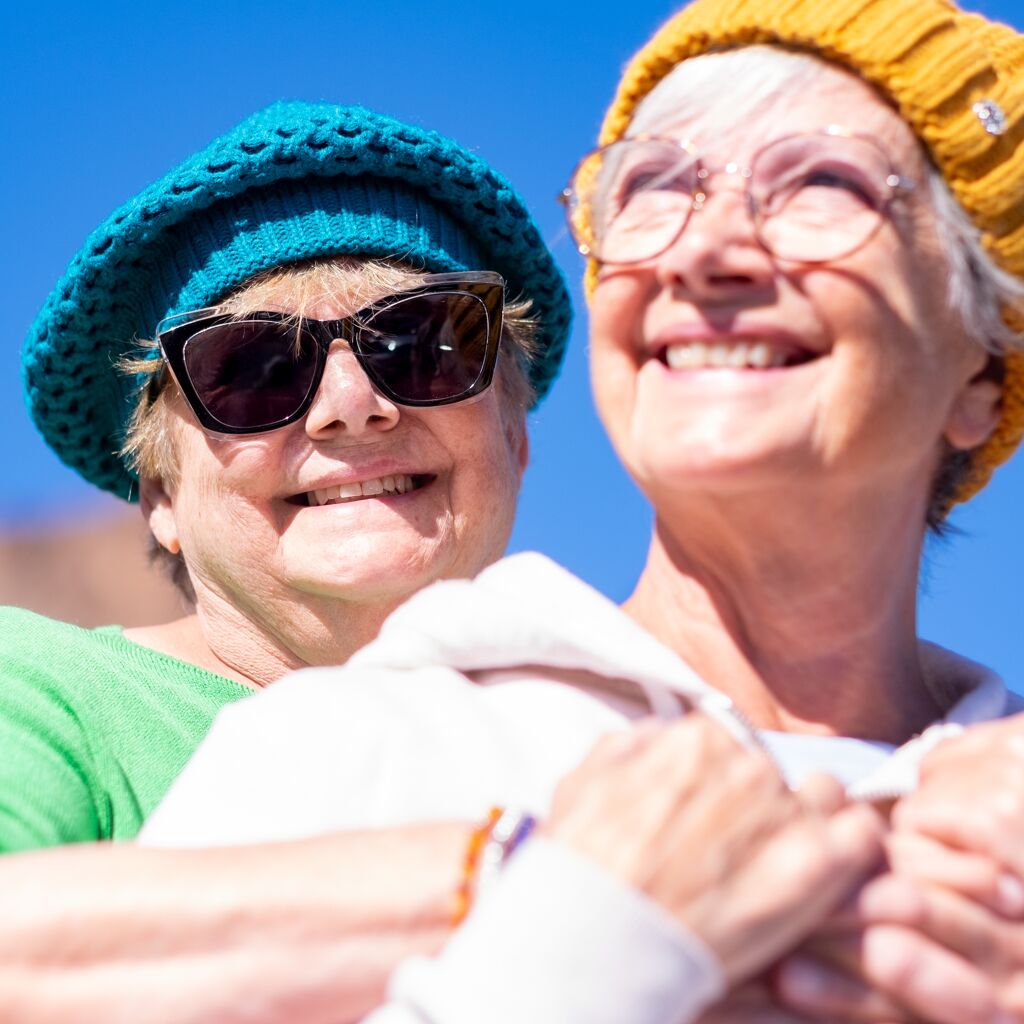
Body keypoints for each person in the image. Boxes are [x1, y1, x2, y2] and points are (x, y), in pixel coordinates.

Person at [141, 0, 1024, 1020]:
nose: (707, 251)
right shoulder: (341, 749)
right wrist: (575, 962)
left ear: (984, 373)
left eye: (819, 186)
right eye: (654, 190)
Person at [2, 100, 577, 1018]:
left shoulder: (620, 719)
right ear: (159, 496)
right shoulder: (35, 690)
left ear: (513, 435)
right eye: (253, 368)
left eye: (423, 345)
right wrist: (526, 877)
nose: (351, 404)